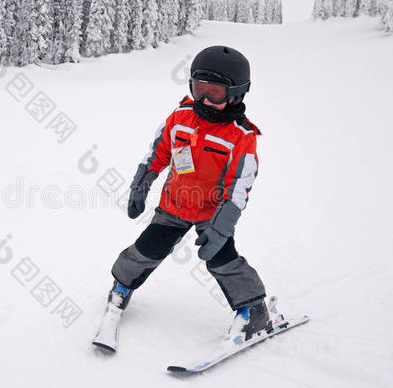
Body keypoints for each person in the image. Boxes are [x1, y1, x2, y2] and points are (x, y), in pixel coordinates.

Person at [103, 46, 269, 340]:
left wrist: (221, 228)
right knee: (147, 248)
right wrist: (141, 184)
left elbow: (238, 188)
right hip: (175, 204)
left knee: (222, 259)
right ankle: (122, 286)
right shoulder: (181, 116)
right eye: (198, 88)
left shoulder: (241, 137)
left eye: (214, 92)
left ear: (236, 93)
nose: (204, 98)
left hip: (212, 213)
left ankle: (253, 310)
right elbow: (158, 152)